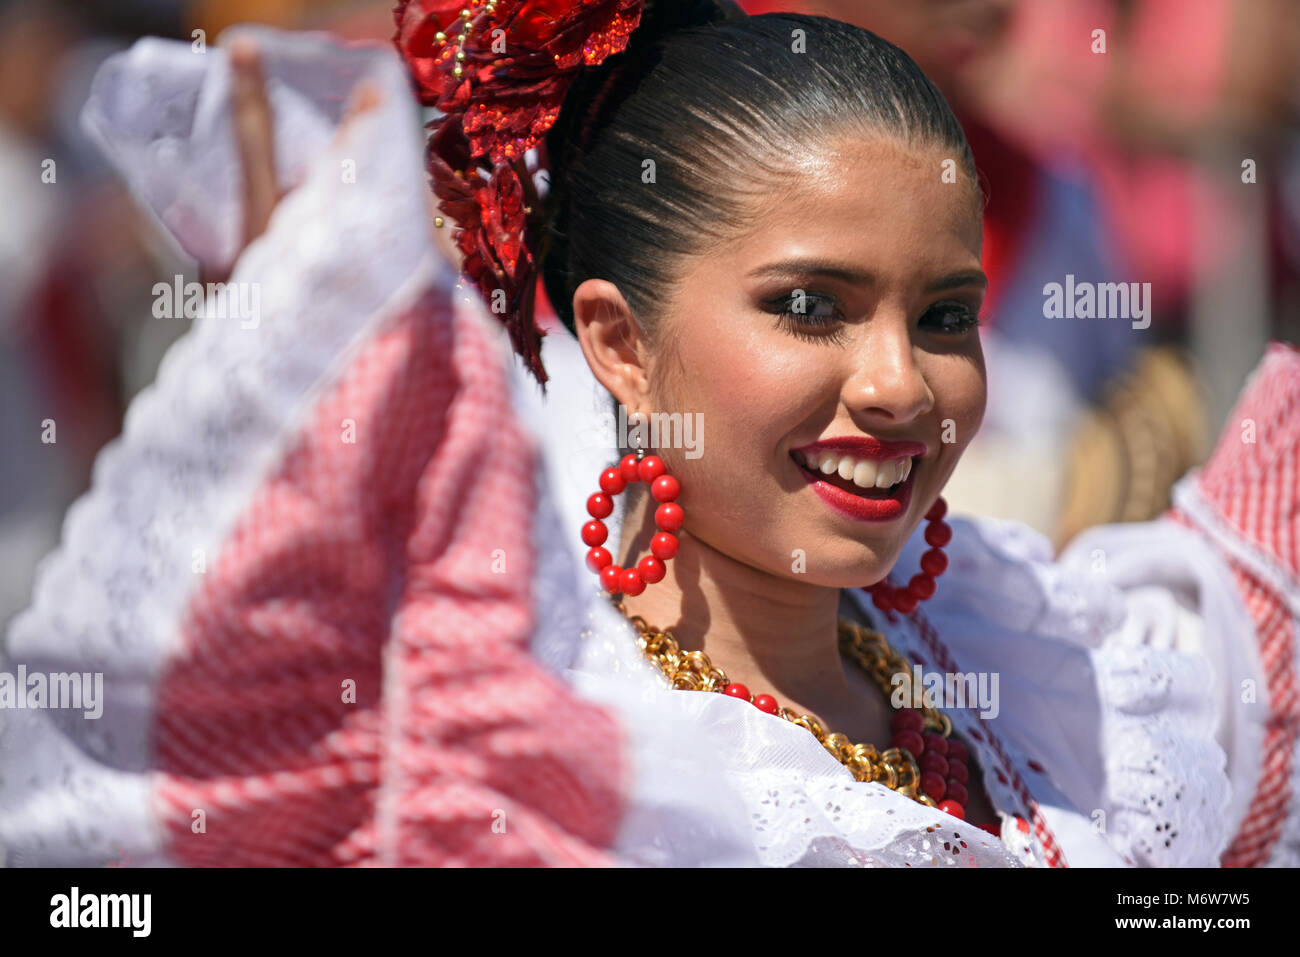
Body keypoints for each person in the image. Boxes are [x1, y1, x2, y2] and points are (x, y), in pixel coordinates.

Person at [1, 0, 1295, 868]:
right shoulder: (546, 748)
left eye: (948, 314)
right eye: (810, 307)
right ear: (618, 342)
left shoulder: (1049, 668)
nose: (902, 385)